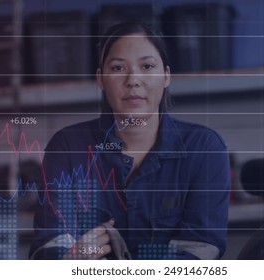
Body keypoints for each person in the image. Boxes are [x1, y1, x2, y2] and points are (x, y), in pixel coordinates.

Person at [30, 21, 231, 260]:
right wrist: (68, 261)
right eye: (117, 68)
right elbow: (47, 246)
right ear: (101, 80)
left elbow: (202, 248)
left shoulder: (204, 149)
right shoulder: (67, 148)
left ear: (166, 76)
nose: (133, 80)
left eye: (147, 66)